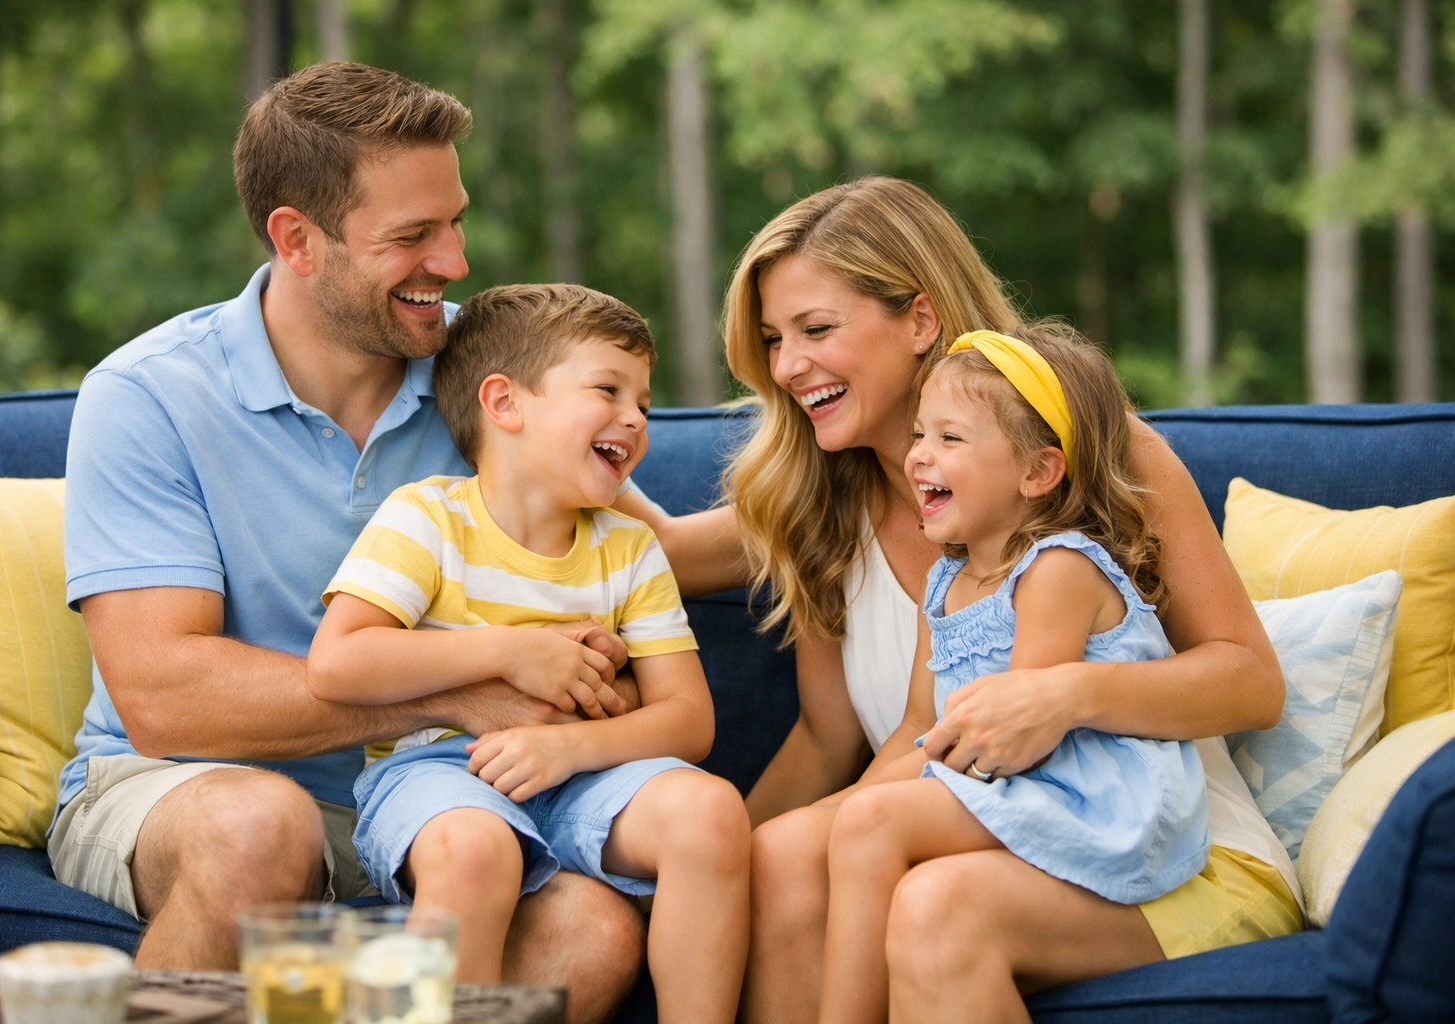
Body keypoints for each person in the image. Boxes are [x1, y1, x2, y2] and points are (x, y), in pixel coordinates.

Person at [624, 177, 1303, 1021]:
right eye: (772, 340)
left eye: (817, 329)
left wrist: (1064, 695)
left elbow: (1251, 682)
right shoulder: (819, 508)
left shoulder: (1083, 452)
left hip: (1170, 850)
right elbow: (824, 731)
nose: (787, 365)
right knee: (782, 860)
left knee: (935, 907)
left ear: (920, 320)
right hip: (974, 835)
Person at [49, 62, 646, 1021]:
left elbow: (657, 550)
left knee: (596, 928)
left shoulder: (492, 375)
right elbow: (163, 696)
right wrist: (463, 690)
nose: (454, 262)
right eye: (412, 237)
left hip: (439, 794)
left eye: (455, 223)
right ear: (297, 239)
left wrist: (857, 487)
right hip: (183, 786)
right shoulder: (149, 395)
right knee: (260, 828)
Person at [307, 284, 750, 1024]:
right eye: (608, 389)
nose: (635, 418)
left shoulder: (630, 549)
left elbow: (688, 719)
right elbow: (337, 662)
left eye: (643, 402)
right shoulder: (427, 518)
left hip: (585, 773)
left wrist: (568, 748)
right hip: (435, 773)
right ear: (505, 403)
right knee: (475, 853)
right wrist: (510, 651)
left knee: (708, 813)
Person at [814, 326, 1210, 1024]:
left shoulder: (1058, 568)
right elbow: (924, 729)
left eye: (950, 438)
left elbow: (1020, 738)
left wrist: (871, 818)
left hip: (1087, 797)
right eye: (920, 434)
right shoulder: (945, 583)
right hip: (1019, 787)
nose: (918, 455)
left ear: (1037, 473)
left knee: (871, 825)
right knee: (859, 823)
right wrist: (847, 816)